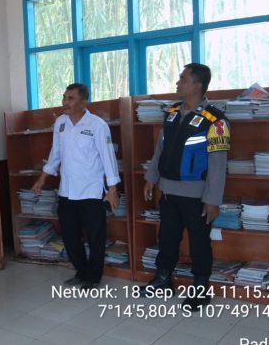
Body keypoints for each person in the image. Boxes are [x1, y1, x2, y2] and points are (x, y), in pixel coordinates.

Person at [141, 63, 230, 312]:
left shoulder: (216, 120)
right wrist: (151, 177)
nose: (178, 83)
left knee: (199, 243)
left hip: (197, 196)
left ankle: (200, 288)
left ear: (198, 85)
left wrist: (212, 200)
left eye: (183, 79)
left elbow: (218, 163)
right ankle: (163, 278)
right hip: (169, 192)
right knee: (167, 238)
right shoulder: (171, 113)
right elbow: (161, 149)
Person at [31, 83, 120, 289]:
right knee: (70, 237)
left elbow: (108, 158)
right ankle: (81, 271)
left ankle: (93, 277)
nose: (65, 102)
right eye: (64, 97)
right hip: (67, 191)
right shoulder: (60, 123)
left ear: (83, 102)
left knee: (96, 237)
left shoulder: (97, 125)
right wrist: (42, 178)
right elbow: (56, 154)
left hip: (91, 190)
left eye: (70, 98)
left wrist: (113, 189)